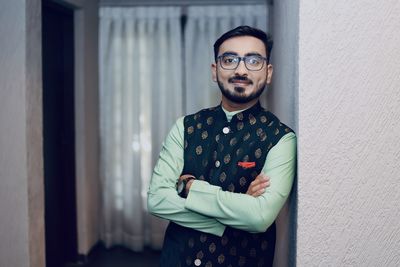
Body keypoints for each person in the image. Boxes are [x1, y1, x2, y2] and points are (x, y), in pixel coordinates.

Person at [147, 25, 296, 267]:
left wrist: (189, 187)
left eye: (253, 61)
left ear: (268, 73)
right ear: (215, 71)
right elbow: (157, 200)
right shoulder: (185, 127)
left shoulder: (281, 139)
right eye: (229, 60)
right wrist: (233, 212)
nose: (240, 69)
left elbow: (259, 217)